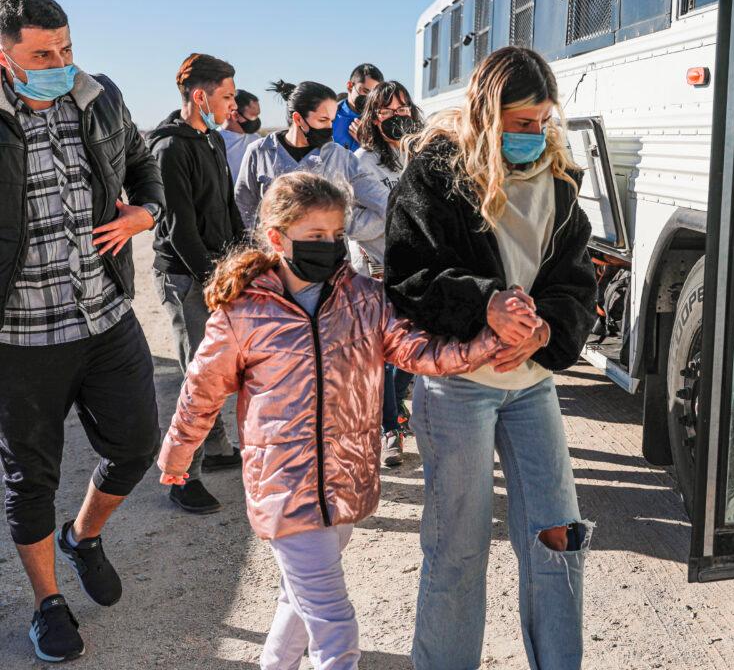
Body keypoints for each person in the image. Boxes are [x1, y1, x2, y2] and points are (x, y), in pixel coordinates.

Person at [157, 172, 501, 670]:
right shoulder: (243, 312)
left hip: (344, 482)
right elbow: (200, 391)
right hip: (283, 487)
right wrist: (177, 454)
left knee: (296, 605)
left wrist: (487, 347)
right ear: (277, 238)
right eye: (316, 237)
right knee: (333, 627)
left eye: (337, 235)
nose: (330, 246)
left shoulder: (364, 298)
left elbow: (418, 350)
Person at [385, 46, 597, 670]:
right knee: (458, 548)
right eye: (521, 121)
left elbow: (574, 285)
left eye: (542, 121)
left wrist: (545, 329)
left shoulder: (559, 187)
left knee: (558, 535)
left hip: (531, 386)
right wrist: (486, 306)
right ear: (486, 112)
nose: (534, 134)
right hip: (457, 389)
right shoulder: (436, 175)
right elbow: (409, 276)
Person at [0, 0, 165, 663]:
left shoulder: (99, 97)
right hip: (19, 339)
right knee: (29, 481)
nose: (60, 62)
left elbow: (141, 165)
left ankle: (84, 535)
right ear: (5, 55)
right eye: (42, 54)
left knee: (137, 446)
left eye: (65, 47)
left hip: (104, 317)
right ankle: (47, 604)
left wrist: (143, 215)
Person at [148, 53, 247, 514]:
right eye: (228, 96)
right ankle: (181, 478)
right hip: (188, 277)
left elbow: (227, 210)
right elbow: (179, 230)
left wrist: (245, 263)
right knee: (198, 374)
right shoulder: (169, 148)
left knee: (216, 369)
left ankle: (217, 450)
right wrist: (213, 282)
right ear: (201, 96)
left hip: (215, 273)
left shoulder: (211, 141)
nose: (234, 106)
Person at [352, 81, 424, 467]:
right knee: (383, 354)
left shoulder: (416, 156)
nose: (398, 118)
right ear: (373, 117)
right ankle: (388, 431)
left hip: (419, 268)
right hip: (379, 269)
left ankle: (393, 412)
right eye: (388, 112)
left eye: (403, 110)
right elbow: (352, 218)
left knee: (410, 352)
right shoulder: (360, 162)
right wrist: (382, 229)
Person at [234, 80, 389, 245]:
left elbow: (382, 201)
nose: (329, 127)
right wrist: (259, 243)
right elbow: (244, 205)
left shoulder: (341, 157)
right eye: (322, 120)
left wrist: (340, 225)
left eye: (332, 120)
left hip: (328, 258)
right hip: (276, 258)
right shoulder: (259, 152)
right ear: (298, 118)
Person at [331, 63, 383, 152]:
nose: (369, 98)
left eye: (374, 95)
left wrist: (368, 144)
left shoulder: (379, 122)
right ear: (350, 86)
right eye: (365, 91)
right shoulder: (329, 118)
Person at [220, 89, 263, 183]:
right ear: (234, 114)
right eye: (253, 116)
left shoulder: (256, 140)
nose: (256, 121)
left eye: (258, 115)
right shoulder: (216, 142)